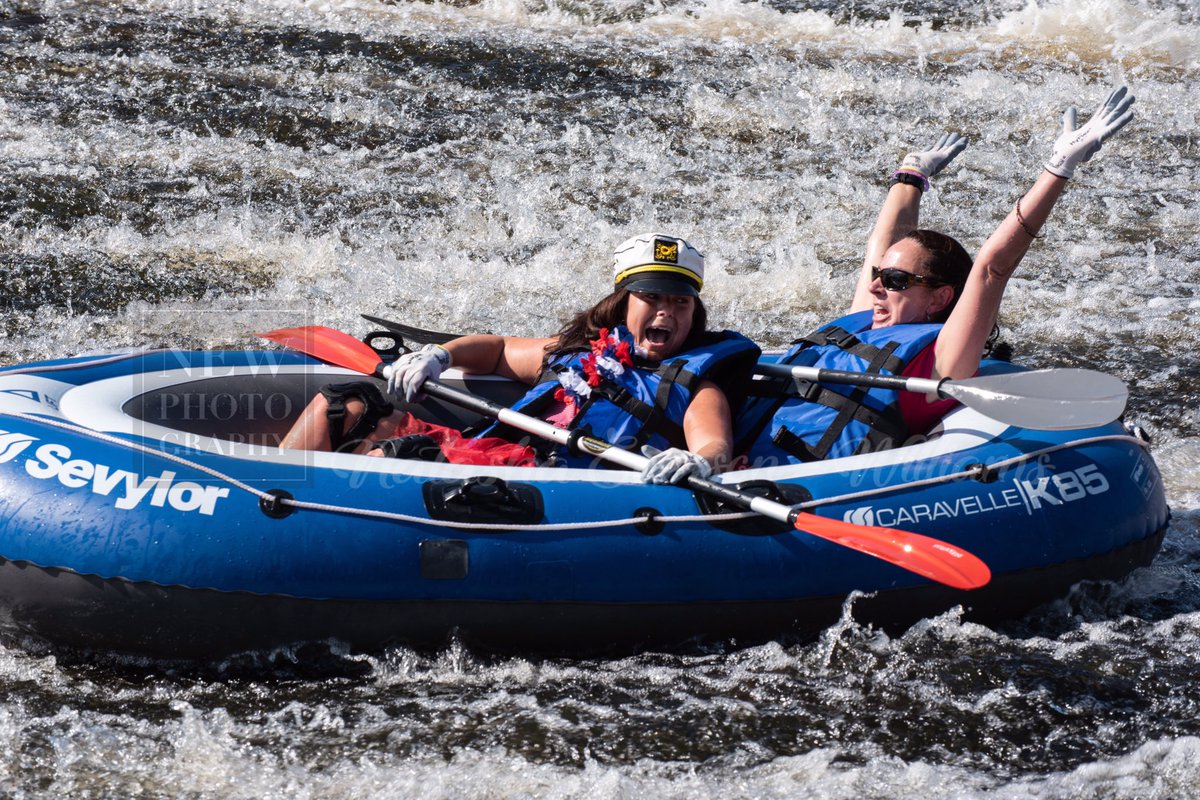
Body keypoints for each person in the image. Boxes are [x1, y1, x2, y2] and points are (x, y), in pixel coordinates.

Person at [735, 85, 1136, 466]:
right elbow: (882, 242)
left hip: (791, 486)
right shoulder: (866, 325)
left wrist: (1059, 166)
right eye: (879, 276)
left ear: (940, 298)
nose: (875, 287)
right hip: (723, 461)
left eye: (894, 280)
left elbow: (992, 268)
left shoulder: (942, 361)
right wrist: (909, 177)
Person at [280, 233, 761, 483]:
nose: (665, 312)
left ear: (694, 312)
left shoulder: (696, 383)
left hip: (541, 481)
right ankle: (274, 498)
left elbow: (713, 444)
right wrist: (439, 356)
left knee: (403, 457)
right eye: (652, 298)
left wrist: (700, 463)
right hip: (482, 451)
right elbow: (496, 350)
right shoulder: (579, 350)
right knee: (344, 404)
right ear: (624, 304)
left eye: (679, 302)